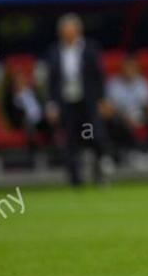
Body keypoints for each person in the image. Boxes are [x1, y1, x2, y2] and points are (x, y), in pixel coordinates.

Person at [46, 13, 109, 186]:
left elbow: (99, 76)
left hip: (88, 102)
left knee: (96, 137)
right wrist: (52, 104)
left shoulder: (90, 48)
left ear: (78, 31)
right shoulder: (54, 51)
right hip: (66, 102)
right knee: (70, 140)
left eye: (71, 30)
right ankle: (75, 180)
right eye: (65, 31)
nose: (68, 34)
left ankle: (99, 173)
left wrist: (102, 99)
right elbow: (51, 81)